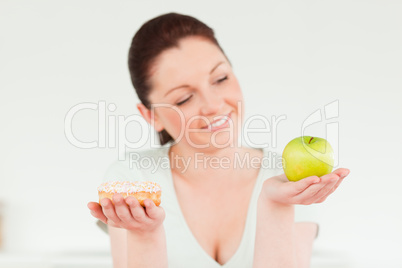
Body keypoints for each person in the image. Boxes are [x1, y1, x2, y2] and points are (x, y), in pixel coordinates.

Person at [87, 12, 350, 268]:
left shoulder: (288, 176)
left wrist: (275, 204)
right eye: (184, 98)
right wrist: (145, 235)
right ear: (151, 115)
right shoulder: (133, 180)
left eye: (221, 78)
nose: (213, 105)